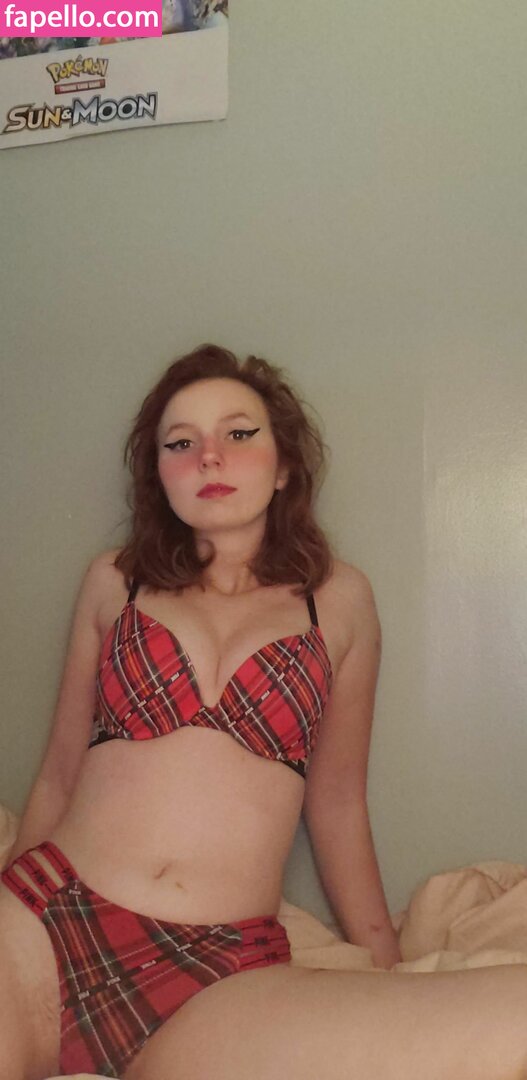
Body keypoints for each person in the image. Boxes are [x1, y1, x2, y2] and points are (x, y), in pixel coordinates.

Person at [1, 343, 526, 1080]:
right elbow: (58, 776)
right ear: (159, 475)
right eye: (180, 443)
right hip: (46, 924)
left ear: (283, 467)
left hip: (217, 972)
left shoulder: (339, 602)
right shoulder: (113, 582)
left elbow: (336, 803)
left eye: (238, 433)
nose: (209, 457)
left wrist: (382, 960)